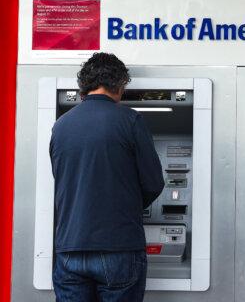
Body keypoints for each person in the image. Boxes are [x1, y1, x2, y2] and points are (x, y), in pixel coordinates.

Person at [49, 52, 165, 302]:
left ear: (84, 86)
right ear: (120, 85)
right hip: (119, 246)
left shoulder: (61, 125)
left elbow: (63, 181)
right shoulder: (130, 120)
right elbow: (154, 183)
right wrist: (126, 205)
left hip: (70, 247)